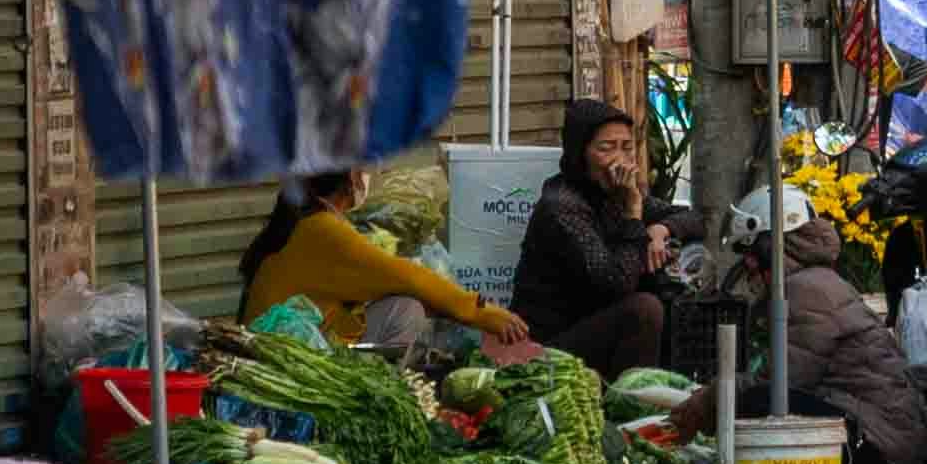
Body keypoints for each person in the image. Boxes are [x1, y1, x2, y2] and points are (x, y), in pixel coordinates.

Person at [729, 192, 925, 464]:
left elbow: (783, 381)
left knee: (758, 400)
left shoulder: (806, 291)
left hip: (882, 447)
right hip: (886, 437)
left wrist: (710, 401)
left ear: (772, 245)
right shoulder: (812, 281)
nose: (747, 263)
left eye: (751, 251)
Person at [225, 168, 538, 359]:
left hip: (290, 338)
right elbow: (409, 277)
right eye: (360, 168)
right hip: (284, 354)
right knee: (407, 307)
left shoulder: (301, 219)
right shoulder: (321, 229)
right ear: (346, 178)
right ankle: (389, 389)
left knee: (402, 304)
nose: (366, 175)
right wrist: (484, 313)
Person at [516, 99, 677, 376]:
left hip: (595, 331)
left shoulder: (612, 194)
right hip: (549, 348)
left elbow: (693, 218)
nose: (620, 160)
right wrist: (633, 215)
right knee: (644, 309)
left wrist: (660, 230)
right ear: (580, 153)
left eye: (627, 148)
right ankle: (627, 407)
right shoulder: (562, 207)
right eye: (606, 148)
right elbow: (617, 282)